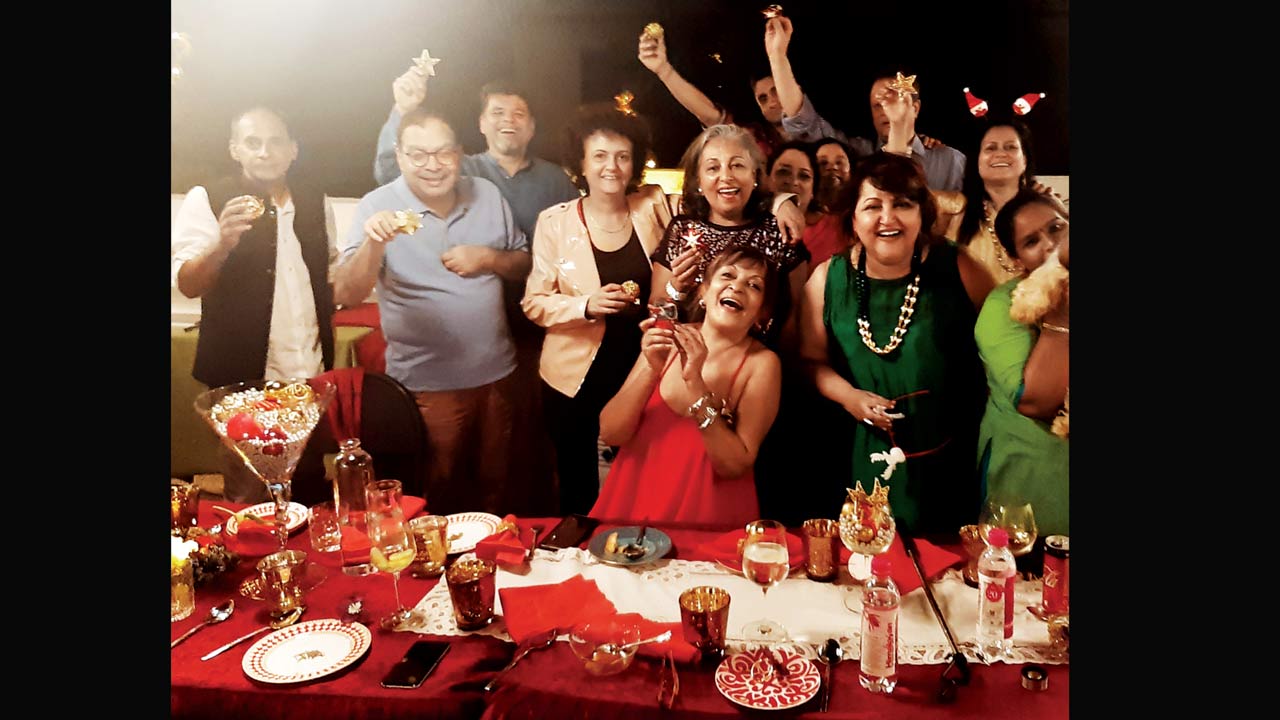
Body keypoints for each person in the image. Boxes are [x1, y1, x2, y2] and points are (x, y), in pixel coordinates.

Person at [335, 108, 533, 517]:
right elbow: (348, 291)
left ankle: (491, 568)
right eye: (419, 154)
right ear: (400, 156)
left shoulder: (486, 194)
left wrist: (488, 257)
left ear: (459, 155)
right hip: (427, 385)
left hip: (497, 374)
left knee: (498, 487)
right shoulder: (379, 205)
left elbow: (523, 262)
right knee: (437, 494)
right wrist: (375, 243)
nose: (432, 165)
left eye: (443, 153)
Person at [797, 152, 993, 535]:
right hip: (859, 456)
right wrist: (849, 397)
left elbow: (1002, 344)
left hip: (947, 458)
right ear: (854, 218)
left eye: (902, 204)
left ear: (922, 215)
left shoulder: (959, 268)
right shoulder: (828, 278)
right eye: (873, 206)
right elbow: (809, 361)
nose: (888, 218)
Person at [171, 106, 336, 502]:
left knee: (310, 491)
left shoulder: (315, 200)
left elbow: (330, 274)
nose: (265, 152)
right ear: (235, 149)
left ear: (292, 150)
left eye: (275, 141)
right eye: (253, 142)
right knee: (251, 500)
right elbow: (188, 285)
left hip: (306, 376)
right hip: (242, 383)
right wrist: (222, 245)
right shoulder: (208, 198)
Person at [521, 105, 673, 515]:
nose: (613, 166)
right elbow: (534, 302)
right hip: (575, 377)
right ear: (582, 164)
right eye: (601, 156)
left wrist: (782, 199)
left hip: (643, 369)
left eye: (623, 156)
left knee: (642, 481)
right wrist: (585, 305)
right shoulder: (554, 223)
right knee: (581, 488)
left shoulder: (653, 206)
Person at [590, 247, 782, 526]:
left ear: (762, 314)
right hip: (634, 505)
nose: (737, 286)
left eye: (754, 285)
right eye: (727, 275)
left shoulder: (762, 364)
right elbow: (611, 433)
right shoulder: (666, 338)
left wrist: (696, 384)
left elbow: (734, 465)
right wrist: (651, 369)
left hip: (708, 517)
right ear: (703, 292)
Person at [650, 124, 810, 350]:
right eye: (713, 168)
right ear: (698, 181)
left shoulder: (779, 231)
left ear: (754, 175)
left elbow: (797, 317)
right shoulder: (681, 230)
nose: (726, 177)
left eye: (737, 165)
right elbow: (656, 314)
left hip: (759, 366)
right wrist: (676, 289)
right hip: (687, 360)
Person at [763, 16, 964, 191]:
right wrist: (777, 56)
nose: (887, 110)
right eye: (878, 105)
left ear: (915, 108)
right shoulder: (856, 155)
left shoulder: (951, 160)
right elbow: (804, 121)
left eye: (894, 100)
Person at [373, 71, 578, 239]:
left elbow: (577, 235)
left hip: (540, 287)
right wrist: (403, 108)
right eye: (498, 113)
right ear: (482, 123)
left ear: (531, 127)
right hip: (469, 283)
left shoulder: (555, 180)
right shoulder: (459, 169)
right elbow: (389, 171)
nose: (508, 120)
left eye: (518, 114)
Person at [975, 189, 1069, 536]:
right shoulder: (1002, 307)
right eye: (1031, 241)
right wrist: (1062, 314)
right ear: (1016, 259)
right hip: (1031, 485)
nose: (1049, 244)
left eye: (1057, 228)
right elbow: (1035, 401)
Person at [942, 115, 1059, 287]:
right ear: (977, 161)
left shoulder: (1049, 211)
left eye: (1011, 147)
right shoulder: (953, 208)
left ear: (1025, 160)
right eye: (990, 148)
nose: (1001, 154)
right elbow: (898, 192)